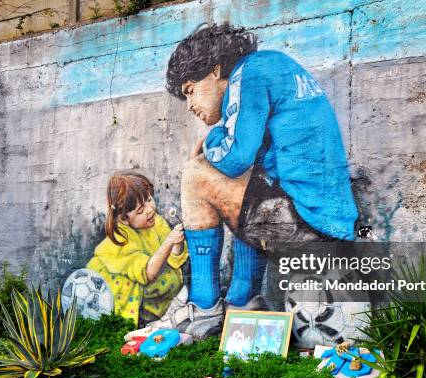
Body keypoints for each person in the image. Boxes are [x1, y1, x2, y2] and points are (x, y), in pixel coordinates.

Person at [150, 23, 358, 338]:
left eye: (190, 90)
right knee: (245, 186)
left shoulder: (249, 74)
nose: (190, 105)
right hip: (326, 221)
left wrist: (211, 140)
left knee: (196, 174)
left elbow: (235, 158)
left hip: (306, 222)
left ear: (216, 69)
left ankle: (203, 306)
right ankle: (241, 301)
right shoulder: (272, 67)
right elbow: (253, 168)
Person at [86, 172, 188, 327]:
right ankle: (136, 322)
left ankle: (164, 313)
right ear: (123, 219)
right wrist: (169, 242)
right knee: (134, 285)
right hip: (122, 281)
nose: (150, 209)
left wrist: (177, 242)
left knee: (170, 277)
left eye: (149, 199)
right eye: (140, 210)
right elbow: (147, 273)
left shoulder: (157, 222)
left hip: (149, 277)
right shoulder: (120, 239)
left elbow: (175, 260)